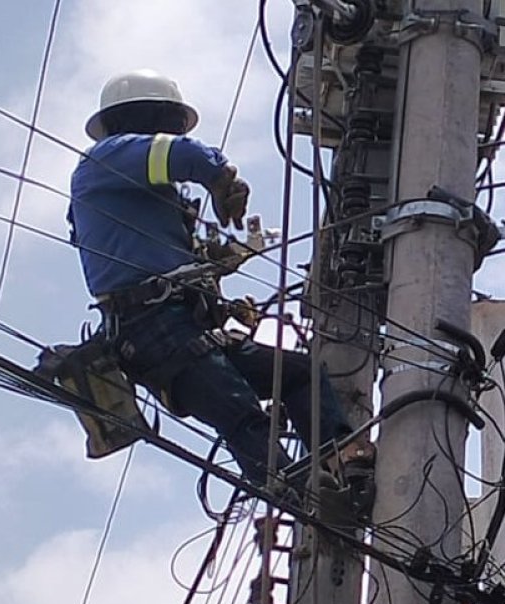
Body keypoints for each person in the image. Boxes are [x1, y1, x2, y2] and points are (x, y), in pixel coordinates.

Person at [68, 69, 368, 490]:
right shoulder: (107, 160)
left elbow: (163, 255)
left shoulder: (142, 199)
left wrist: (215, 262)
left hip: (185, 325)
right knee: (238, 409)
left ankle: (342, 460)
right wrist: (219, 176)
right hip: (151, 328)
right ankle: (295, 491)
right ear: (152, 120)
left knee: (298, 375)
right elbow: (180, 155)